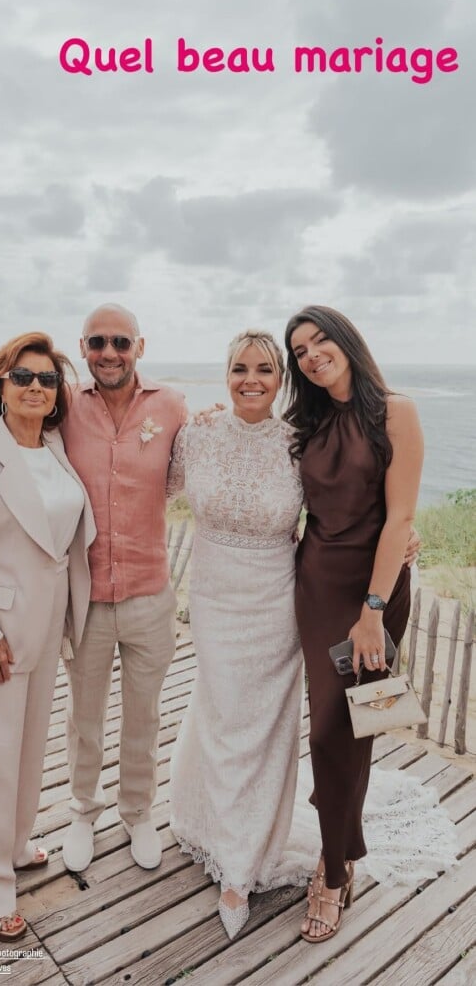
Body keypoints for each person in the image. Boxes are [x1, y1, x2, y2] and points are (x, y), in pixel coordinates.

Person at [0, 332, 96, 942]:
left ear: (59, 393)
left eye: (47, 379)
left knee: (28, 752)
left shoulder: (56, 448)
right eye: (22, 377)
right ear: (0, 384)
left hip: (46, 625)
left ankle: (13, 845)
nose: (35, 387)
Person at [283, 305, 424, 942]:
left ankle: (334, 872)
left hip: (375, 591)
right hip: (316, 583)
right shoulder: (305, 423)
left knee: (353, 725)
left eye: (320, 341)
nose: (312, 355)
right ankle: (340, 842)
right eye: (300, 351)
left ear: (345, 341)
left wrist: (373, 610)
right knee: (326, 728)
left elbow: (399, 519)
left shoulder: (396, 410)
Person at [167, 329, 305, 939]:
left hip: (278, 600)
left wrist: (401, 536)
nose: (252, 379)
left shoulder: (302, 443)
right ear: (225, 374)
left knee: (264, 722)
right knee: (223, 714)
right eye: (240, 368)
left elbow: (346, 510)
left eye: (265, 369)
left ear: (281, 379)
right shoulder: (196, 433)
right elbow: (151, 487)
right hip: (215, 595)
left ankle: (243, 864)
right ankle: (216, 828)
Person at [60, 303, 188, 873]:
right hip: (84, 599)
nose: (108, 353)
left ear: (140, 345)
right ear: (83, 347)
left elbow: (203, 466)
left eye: (119, 341)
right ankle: (83, 810)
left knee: (145, 714)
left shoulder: (173, 406)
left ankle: (137, 812)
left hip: (148, 594)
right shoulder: (62, 406)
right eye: (97, 342)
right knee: (84, 716)